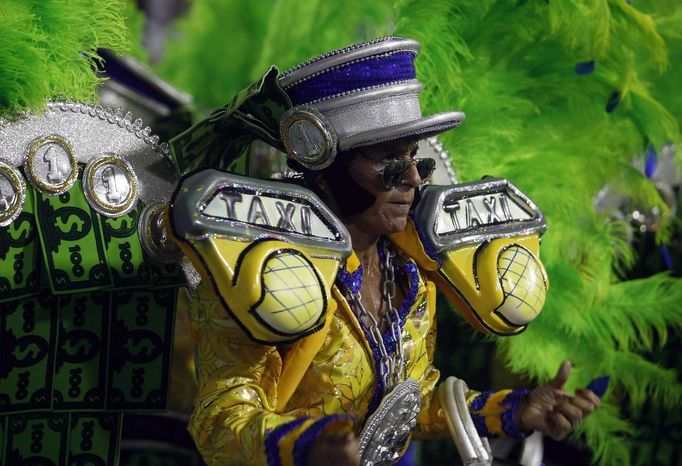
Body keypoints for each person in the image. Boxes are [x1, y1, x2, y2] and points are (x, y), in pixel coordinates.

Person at [178, 36, 601, 466]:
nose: (414, 179)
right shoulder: (267, 274)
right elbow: (219, 421)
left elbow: (405, 407)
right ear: (326, 168)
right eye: (390, 163)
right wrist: (303, 446)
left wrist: (512, 411)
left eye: (416, 160)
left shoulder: (411, 274)